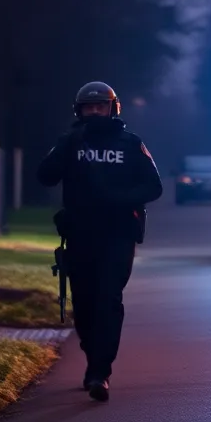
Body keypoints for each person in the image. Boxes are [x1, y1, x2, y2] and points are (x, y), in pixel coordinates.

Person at [37, 81, 162, 402]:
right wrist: (66, 147)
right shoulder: (71, 141)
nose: (95, 112)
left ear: (113, 108)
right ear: (79, 111)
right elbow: (45, 176)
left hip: (118, 234)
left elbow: (153, 186)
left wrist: (119, 200)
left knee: (108, 300)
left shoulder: (131, 144)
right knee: (84, 303)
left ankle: (99, 372)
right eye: (88, 107)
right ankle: (94, 354)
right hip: (79, 234)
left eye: (100, 107)